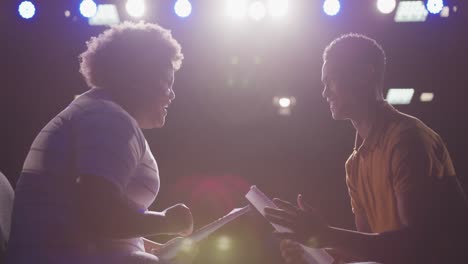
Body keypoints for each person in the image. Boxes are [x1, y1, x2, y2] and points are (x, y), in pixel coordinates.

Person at [264, 33, 468, 263]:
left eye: (331, 80)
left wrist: (326, 235)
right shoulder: (354, 164)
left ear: (364, 74)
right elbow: (373, 251)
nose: (325, 92)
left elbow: (416, 247)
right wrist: (314, 251)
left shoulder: (407, 140)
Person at [6, 22, 193, 264]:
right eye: (167, 82)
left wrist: (149, 244)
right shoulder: (108, 118)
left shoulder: (97, 112)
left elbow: (82, 221)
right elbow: (98, 214)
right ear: (138, 78)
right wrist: (167, 222)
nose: (171, 94)